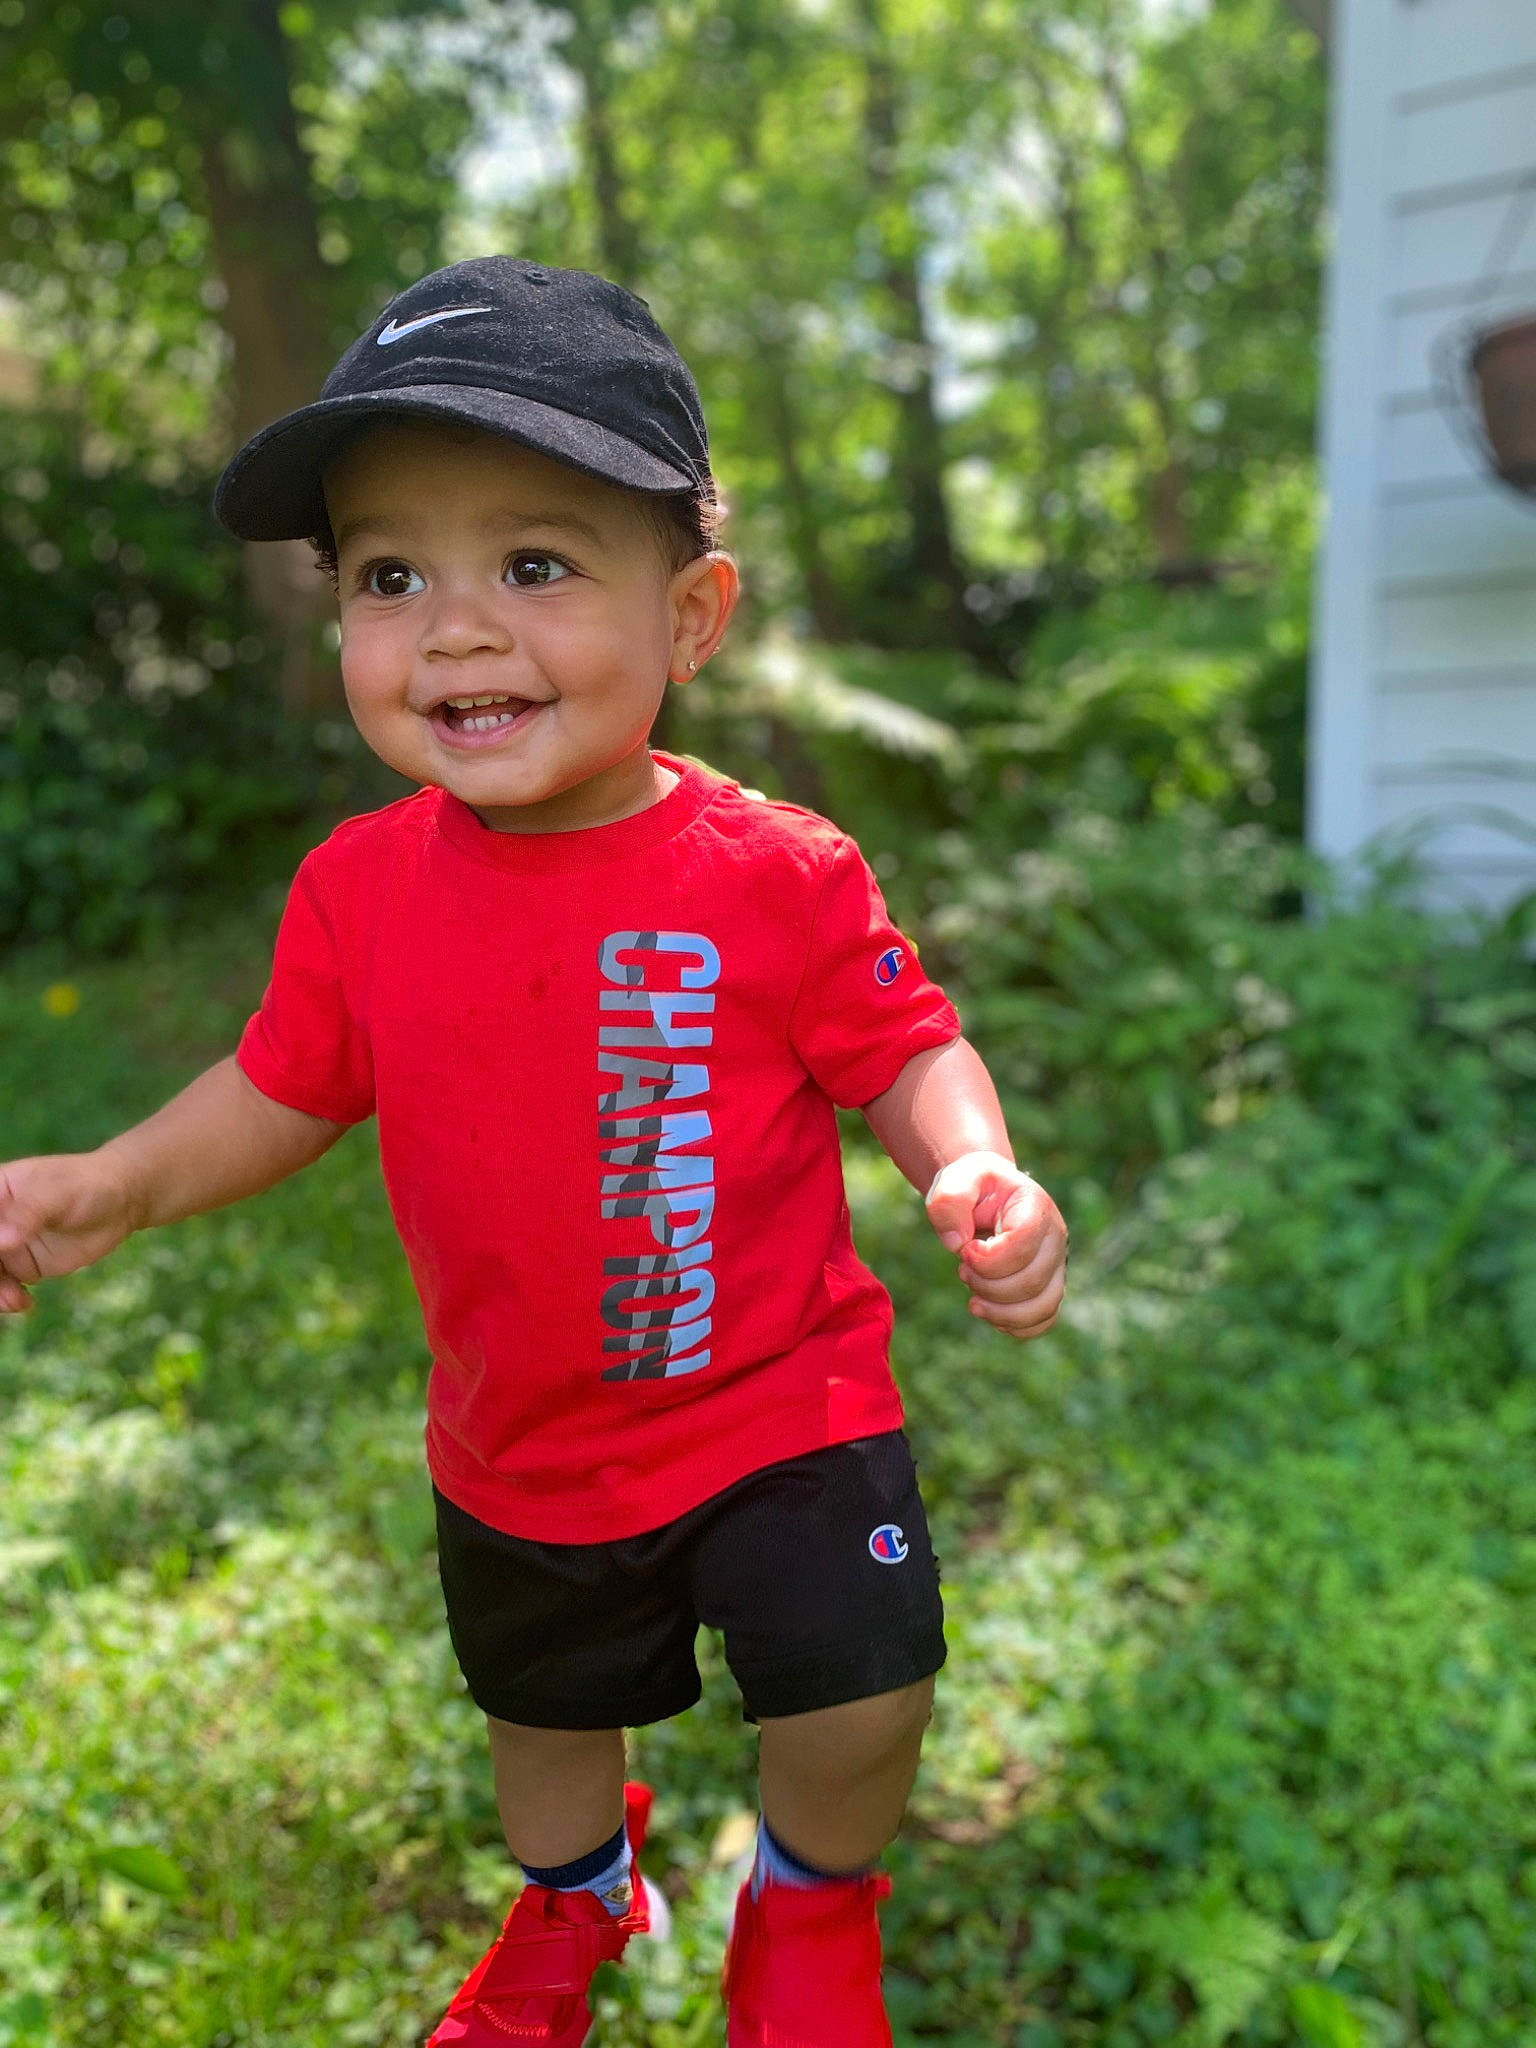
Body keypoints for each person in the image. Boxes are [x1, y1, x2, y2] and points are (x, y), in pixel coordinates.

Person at [0, 257, 1068, 2048]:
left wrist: (975, 1165)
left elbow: (909, 1047)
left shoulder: (774, 873)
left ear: (695, 614)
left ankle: (809, 1906)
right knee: (546, 1738)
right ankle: (582, 1901)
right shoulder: (361, 890)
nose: (456, 628)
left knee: (866, 1692)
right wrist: (106, 1182)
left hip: (781, 1404)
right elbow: (284, 1085)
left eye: (538, 563)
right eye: (388, 574)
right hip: (523, 1439)